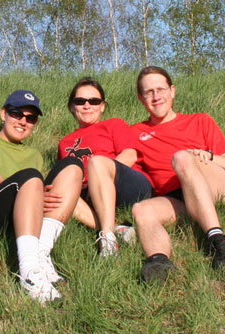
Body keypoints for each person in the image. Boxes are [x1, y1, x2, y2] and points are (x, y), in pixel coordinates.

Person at [0, 90, 83, 304]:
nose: (23, 121)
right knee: (31, 178)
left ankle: (41, 253)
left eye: (31, 118)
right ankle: (30, 273)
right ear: (3, 114)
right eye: (16, 114)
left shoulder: (34, 156)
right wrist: (32, 192)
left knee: (72, 167)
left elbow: (45, 197)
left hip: (17, 224)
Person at [130, 66, 225, 282]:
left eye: (161, 89)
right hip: (177, 196)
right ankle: (159, 262)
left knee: (181, 158)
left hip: (214, 182)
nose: (156, 97)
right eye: (149, 92)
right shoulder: (135, 133)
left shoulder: (200, 121)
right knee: (140, 210)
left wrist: (207, 157)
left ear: (172, 90)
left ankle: (218, 241)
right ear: (140, 98)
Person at [57, 78, 153, 257]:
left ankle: (107, 240)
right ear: (72, 107)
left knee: (96, 162)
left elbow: (130, 155)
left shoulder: (113, 125)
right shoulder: (64, 143)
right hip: (89, 194)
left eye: (94, 101)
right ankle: (117, 228)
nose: (87, 106)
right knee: (56, 189)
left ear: (102, 106)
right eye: (80, 101)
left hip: (127, 185)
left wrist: (99, 176)